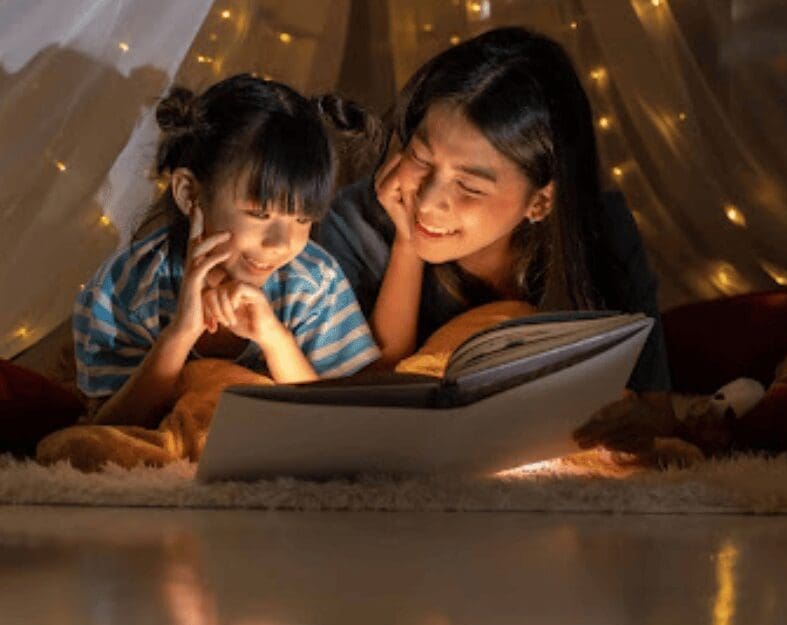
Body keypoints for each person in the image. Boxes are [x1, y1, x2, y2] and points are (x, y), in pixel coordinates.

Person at [316, 27, 675, 455]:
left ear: (540, 201)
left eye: (469, 187)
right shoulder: (356, 223)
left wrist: (632, 423)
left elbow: (658, 411)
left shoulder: (601, 230)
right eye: (421, 157)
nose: (428, 202)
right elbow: (356, 408)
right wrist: (406, 248)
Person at [74, 74, 379, 427]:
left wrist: (273, 338)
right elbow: (108, 431)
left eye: (302, 218)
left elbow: (335, 423)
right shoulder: (122, 291)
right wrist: (180, 334)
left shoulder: (313, 282)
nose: (280, 242)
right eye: (259, 214)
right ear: (189, 193)